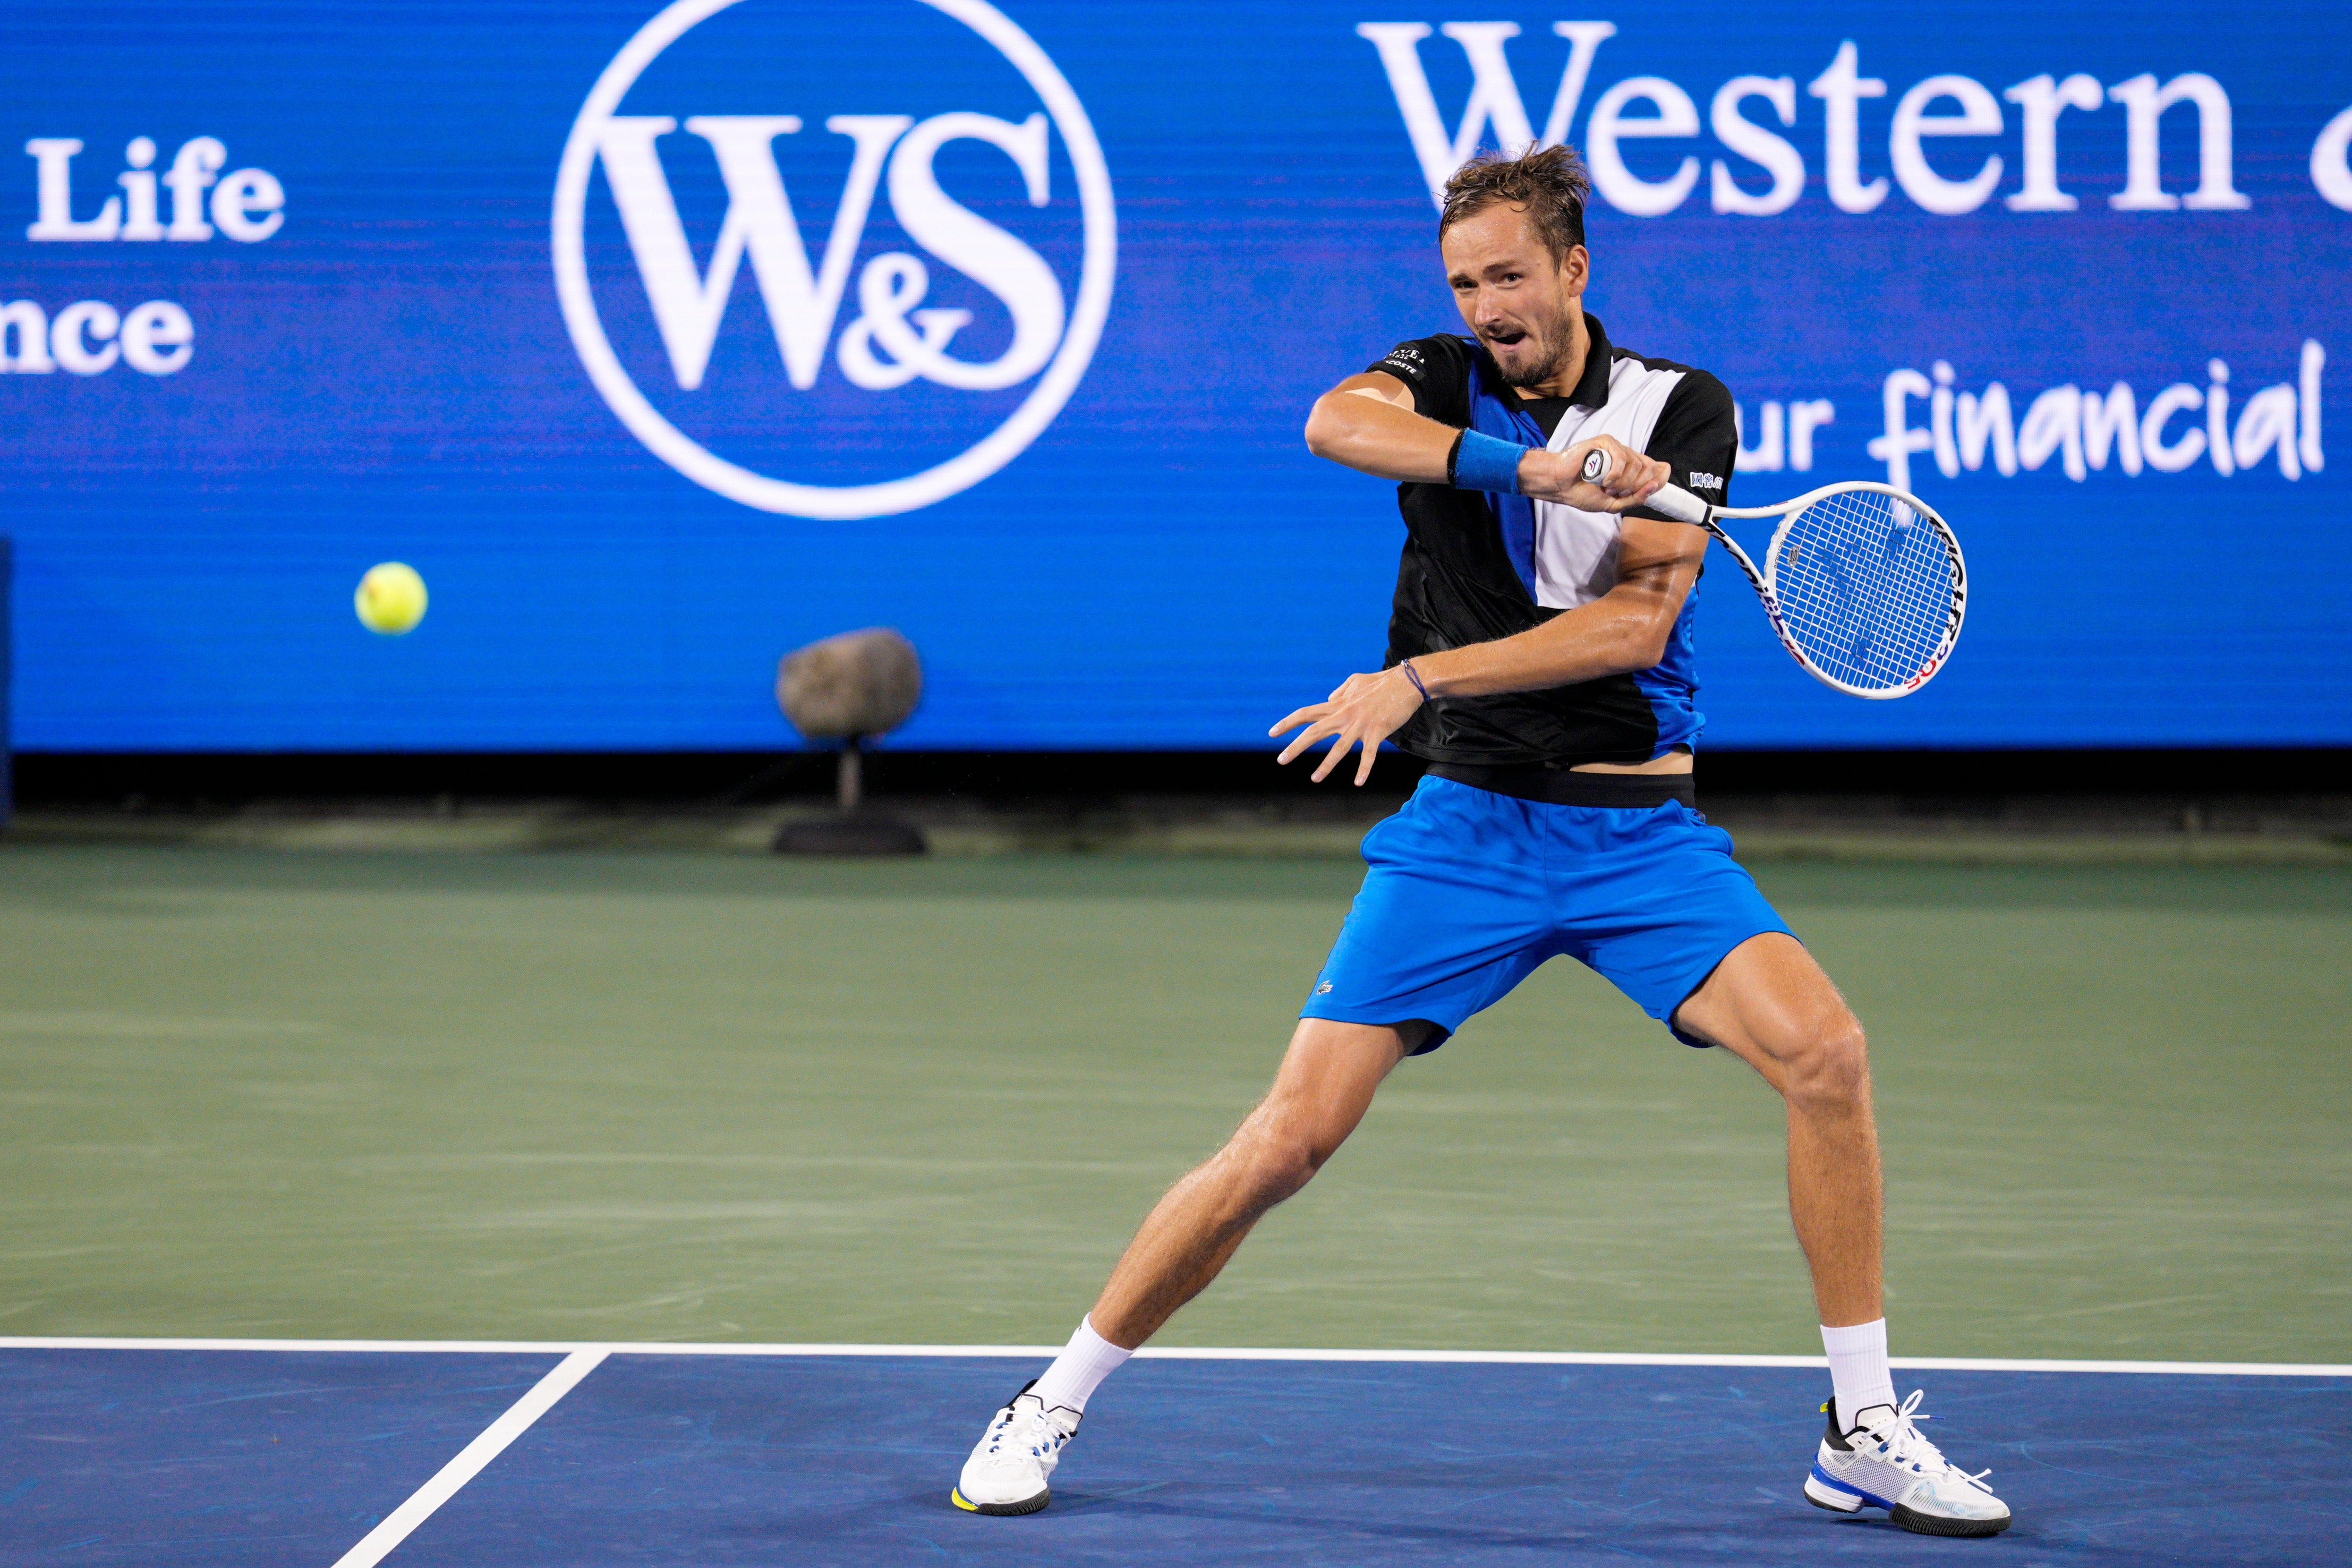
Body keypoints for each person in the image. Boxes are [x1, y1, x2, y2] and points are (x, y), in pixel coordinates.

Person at [951, 143, 2010, 1539]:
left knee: (1826, 1057)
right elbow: (1333, 427)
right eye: (1463, 279)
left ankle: (1861, 1425)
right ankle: (1050, 1399)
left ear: (1574, 269)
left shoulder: (1679, 406)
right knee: (1286, 1141)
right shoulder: (1436, 378)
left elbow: (1635, 626)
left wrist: (1418, 679)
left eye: (1508, 274)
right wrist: (1539, 473)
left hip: (1637, 836)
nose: (1485, 301)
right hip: (1467, 838)